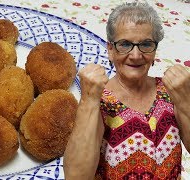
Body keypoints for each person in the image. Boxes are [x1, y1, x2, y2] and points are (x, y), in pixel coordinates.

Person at [63, 2, 190, 179]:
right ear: (110, 50)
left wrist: (185, 100)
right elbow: (77, 176)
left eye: (146, 44)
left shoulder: (170, 90)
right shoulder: (100, 100)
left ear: (154, 50)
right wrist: (88, 101)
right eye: (124, 44)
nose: (136, 55)